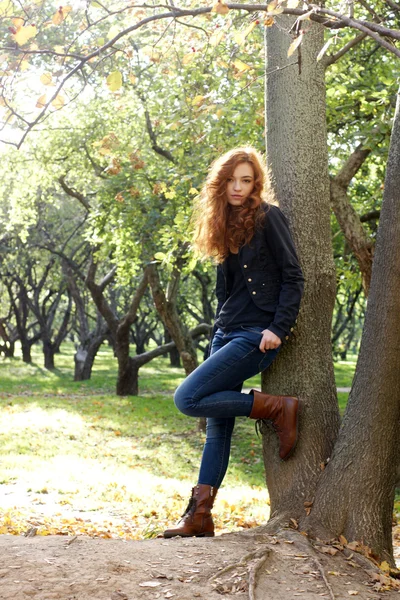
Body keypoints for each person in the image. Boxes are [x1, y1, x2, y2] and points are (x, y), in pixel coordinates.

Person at [163, 146, 304, 539]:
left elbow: (294, 277)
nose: (239, 188)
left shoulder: (269, 218)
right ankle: (200, 517)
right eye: (232, 180)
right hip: (225, 334)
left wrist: (279, 327)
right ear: (220, 183)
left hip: (255, 336)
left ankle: (276, 407)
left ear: (256, 184)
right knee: (217, 428)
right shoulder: (223, 223)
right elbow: (227, 291)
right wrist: (216, 333)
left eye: (246, 180)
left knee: (186, 399)